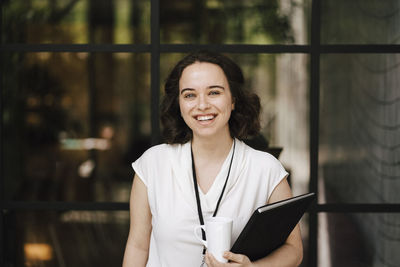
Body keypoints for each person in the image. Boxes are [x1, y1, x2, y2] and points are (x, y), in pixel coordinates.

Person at [122, 51, 303, 267]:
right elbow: (137, 246)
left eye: (214, 92)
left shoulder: (266, 168)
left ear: (233, 99)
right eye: (189, 95)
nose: (202, 105)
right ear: (179, 104)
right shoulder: (152, 164)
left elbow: (294, 250)